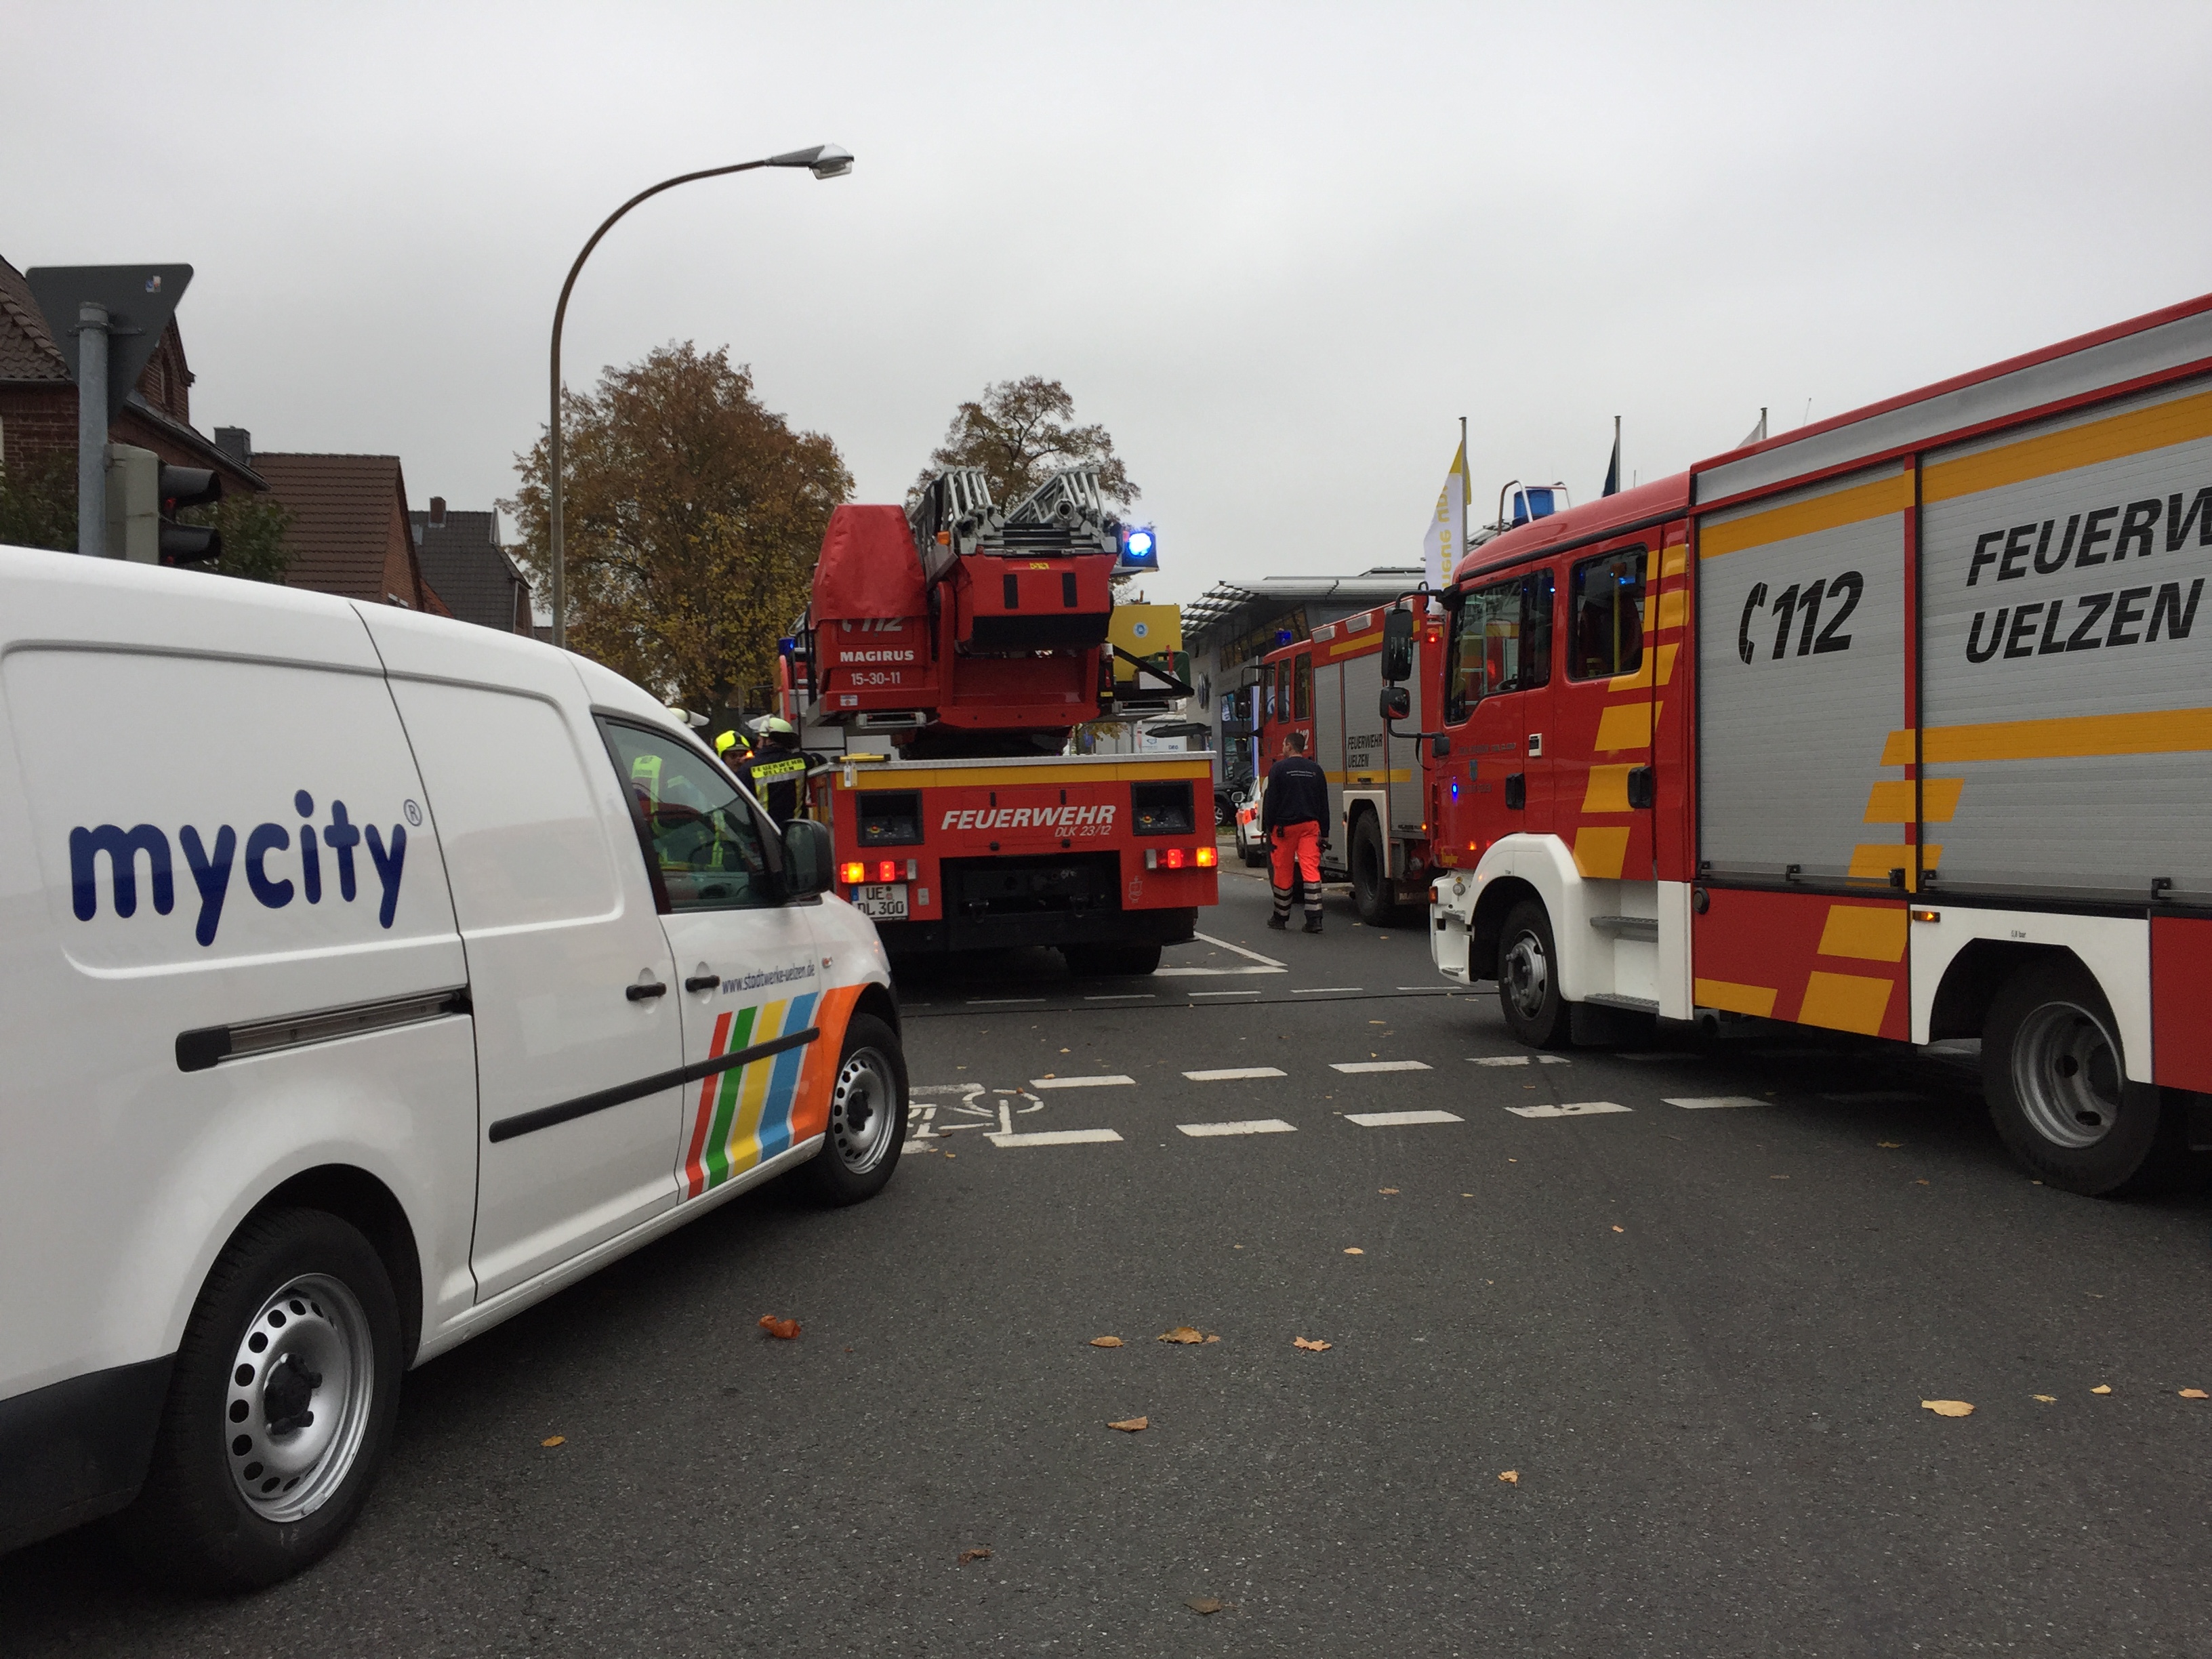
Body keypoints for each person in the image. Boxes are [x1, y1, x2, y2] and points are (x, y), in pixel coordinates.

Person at [1262, 730, 1328, 933]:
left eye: (1283, 744)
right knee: (1311, 870)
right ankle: (1315, 920)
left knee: (1283, 871)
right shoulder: (1316, 770)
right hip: (1310, 827)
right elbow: (1323, 805)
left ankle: (1280, 918)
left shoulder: (1279, 769)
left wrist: (1267, 828)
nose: (1282, 748)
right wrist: (1324, 832)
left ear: (1290, 746)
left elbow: (1271, 802)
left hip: (1284, 829)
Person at [734, 716, 817, 826]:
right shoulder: (802, 761)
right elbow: (818, 759)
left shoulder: (747, 769)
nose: (758, 743)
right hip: (796, 832)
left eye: (760, 738)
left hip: (767, 835)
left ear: (768, 740)